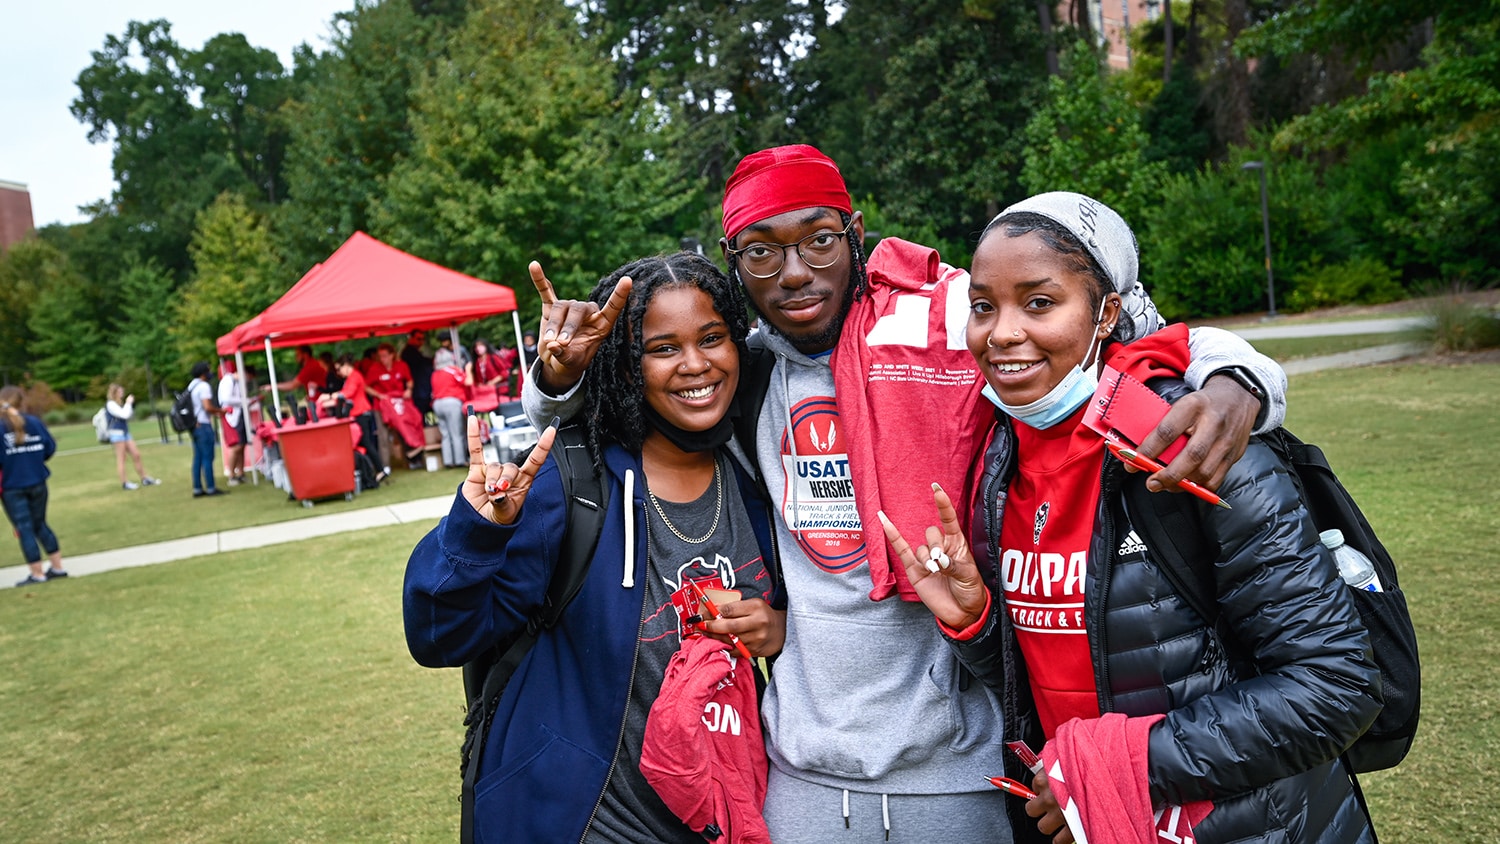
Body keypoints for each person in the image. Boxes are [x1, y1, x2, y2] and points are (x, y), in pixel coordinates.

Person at [522, 145, 1287, 842]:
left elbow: (1123, 323)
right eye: (761, 252)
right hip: (804, 775)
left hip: (957, 773)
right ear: (734, 262)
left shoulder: (951, 316)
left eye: (819, 239)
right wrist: (555, 379)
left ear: (854, 233)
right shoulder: (742, 369)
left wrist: (1238, 373)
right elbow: (622, 402)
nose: (794, 272)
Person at [880, 192, 1380, 844]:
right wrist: (978, 626)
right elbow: (1077, 675)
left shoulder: (1195, 437)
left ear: (1105, 311)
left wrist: (1113, 771)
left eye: (1038, 302)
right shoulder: (997, 452)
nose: (1001, 332)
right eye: (983, 306)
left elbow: (1336, 686)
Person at [405, 253, 785, 843]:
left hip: (718, 819)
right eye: (662, 348)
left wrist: (779, 629)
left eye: (712, 338)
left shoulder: (755, 479)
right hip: (586, 822)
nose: (695, 364)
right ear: (626, 367)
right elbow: (438, 635)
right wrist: (476, 532)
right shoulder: (573, 488)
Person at [1, 386, 69, 585]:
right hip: (38, 481)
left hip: (13, 485)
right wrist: (33, 460)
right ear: (22, 402)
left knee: (24, 528)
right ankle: (57, 567)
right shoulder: (34, 422)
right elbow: (49, 447)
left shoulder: (1, 427)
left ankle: (37, 573)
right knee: (40, 524)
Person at [318, 353, 384, 483]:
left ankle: (379, 469)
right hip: (357, 413)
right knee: (363, 443)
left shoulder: (355, 377)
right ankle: (372, 470)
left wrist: (329, 396)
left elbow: (348, 394)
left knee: (365, 443)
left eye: (339, 369)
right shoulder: (350, 378)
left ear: (346, 366)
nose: (338, 372)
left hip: (361, 413)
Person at [104, 383, 162, 490]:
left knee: (136, 455)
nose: (122, 393)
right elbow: (124, 414)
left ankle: (144, 478)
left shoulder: (119, 404)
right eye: (120, 391)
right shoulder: (111, 404)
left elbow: (127, 414)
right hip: (117, 434)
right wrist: (128, 403)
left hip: (125, 433)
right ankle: (125, 483)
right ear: (115, 393)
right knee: (121, 458)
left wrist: (127, 405)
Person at [187, 361, 225, 498]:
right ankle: (210, 487)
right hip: (203, 424)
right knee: (208, 457)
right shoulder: (203, 386)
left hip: (194, 425)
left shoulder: (192, 385)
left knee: (198, 457)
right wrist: (221, 411)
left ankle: (197, 487)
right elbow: (207, 406)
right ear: (204, 373)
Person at [429, 346, 471, 468]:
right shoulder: (452, 370)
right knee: (456, 433)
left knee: (445, 434)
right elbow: (468, 382)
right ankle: (460, 460)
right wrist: (468, 369)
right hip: (451, 402)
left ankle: (448, 461)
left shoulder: (435, 374)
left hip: (438, 403)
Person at [217, 359, 249, 486]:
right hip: (231, 416)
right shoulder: (228, 380)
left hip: (237, 414)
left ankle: (240, 472)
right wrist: (242, 400)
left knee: (242, 444)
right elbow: (226, 398)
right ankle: (231, 474)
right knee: (236, 445)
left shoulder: (233, 381)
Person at [401, 329, 435, 416]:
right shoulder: (409, 353)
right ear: (411, 338)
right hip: (418, 391)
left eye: (422, 339)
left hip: (422, 390)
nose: (421, 342)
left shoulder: (414, 352)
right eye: (418, 339)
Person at [470, 337, 512, 404]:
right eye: (476, 346)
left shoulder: (493, 357)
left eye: (480, 345)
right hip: (486, 392)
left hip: (499, 389)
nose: (478, 348)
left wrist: (493, 382)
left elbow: (504, 372)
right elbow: (476, 379)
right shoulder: (476, 362)